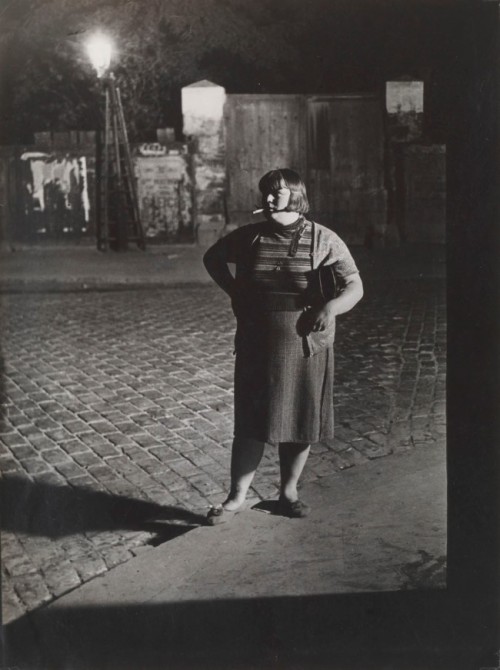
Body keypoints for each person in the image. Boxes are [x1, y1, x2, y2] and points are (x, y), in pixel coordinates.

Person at [203, 168, 363, 524]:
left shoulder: (323, 238)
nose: (269, 198)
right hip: (257, 339)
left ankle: (288, 493)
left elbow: (355, 286)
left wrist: (330, 307)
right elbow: (212, 258)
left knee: (300, 416)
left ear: (296, 195)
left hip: (305, 339)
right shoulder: (249, 237)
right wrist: (234, 290)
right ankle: (236, 497)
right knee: (250, 420)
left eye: (277, 192)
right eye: (266, 192)